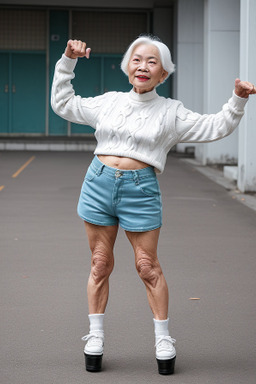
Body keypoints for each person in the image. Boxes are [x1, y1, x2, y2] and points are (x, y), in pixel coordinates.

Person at [51, 35, 256, 375]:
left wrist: (237, 100)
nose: (142, 66)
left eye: (152, 61)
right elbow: (64, 103)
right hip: (98, 183)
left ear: (163, 74)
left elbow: (215, 126)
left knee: (147, 266)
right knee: (100, 264)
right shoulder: (109, 102)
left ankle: (163, 339)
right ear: (127, 67)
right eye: (137, 59)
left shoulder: (171, 112)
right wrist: (67, 61)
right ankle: (96, 337)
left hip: (140, 189)